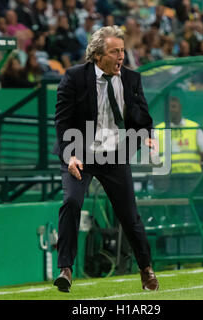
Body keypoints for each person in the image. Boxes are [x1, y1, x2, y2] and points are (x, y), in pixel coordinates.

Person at [52, 25, 159, 293]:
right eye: (115, 51)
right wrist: (70, 155)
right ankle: (65, 269)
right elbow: (62, 122)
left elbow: (142, 118)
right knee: (71, 202)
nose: (121, 56)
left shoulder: (132, 79)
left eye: (123, 51)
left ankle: (146, 269)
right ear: (98, 55)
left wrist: (147, 135)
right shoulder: (74, 78)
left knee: (129, 215)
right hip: (79, 153)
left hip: (114, 154)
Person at [156, 96, 203, 175]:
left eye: (173, 106)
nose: (171, 110)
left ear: (180, 108)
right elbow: (151, 157)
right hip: (167, 178)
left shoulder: (194, 127)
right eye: (168, 107)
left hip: (192, 176)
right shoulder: (158, 130)